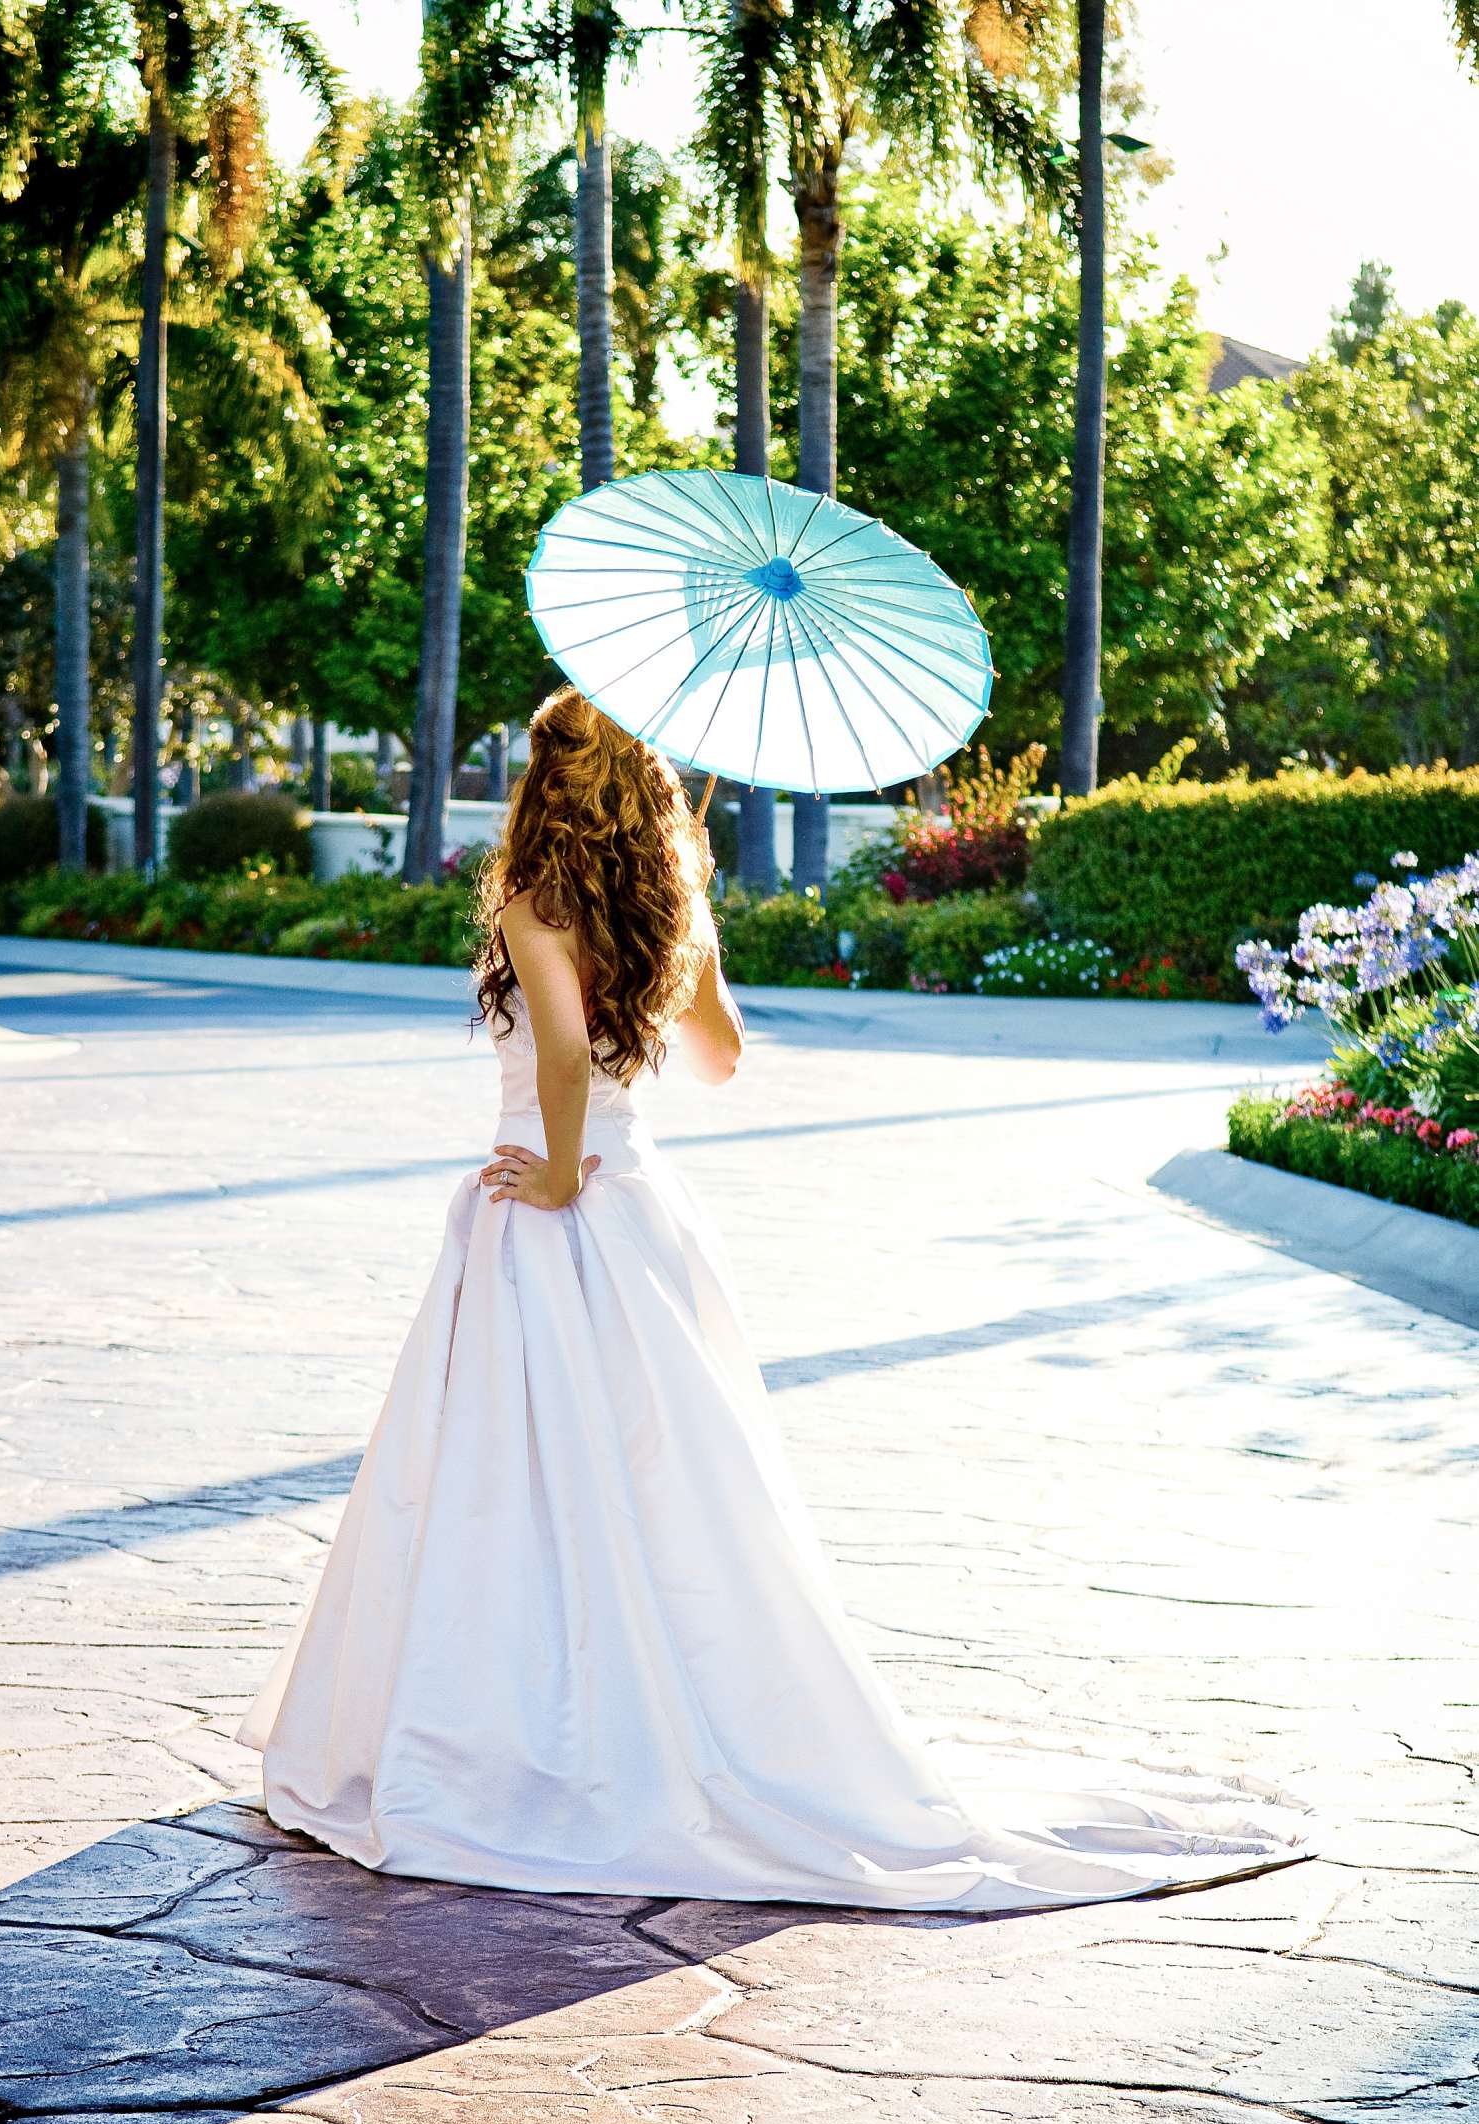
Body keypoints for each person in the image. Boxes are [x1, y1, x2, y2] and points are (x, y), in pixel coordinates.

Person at [240, 685, 1308, 1908]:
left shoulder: (536, 904)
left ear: (540, 786)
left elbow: (555, 1053)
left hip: (557, 1206)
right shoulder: (668, 905)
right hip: (644, 1209)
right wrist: (688, 926)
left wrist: (555, 1166)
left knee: (510, 1471)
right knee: (659, 1469)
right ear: (645, 789)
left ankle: (528, 1733)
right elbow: (722, 1057)